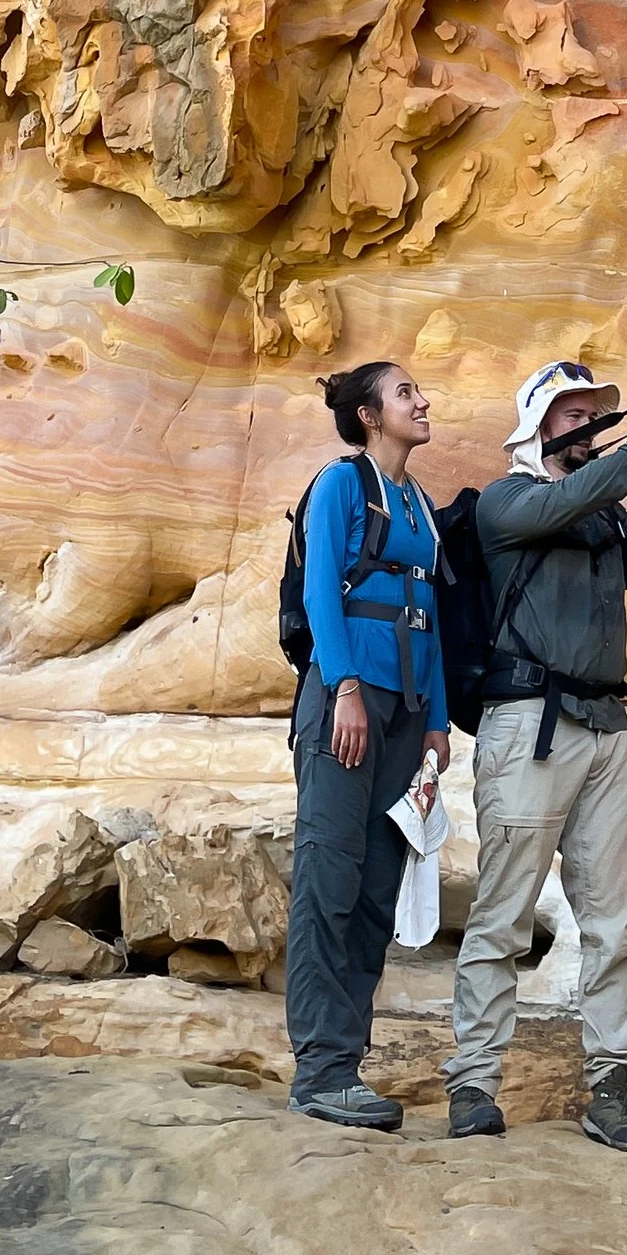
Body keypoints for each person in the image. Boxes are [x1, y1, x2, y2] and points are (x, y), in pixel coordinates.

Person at [444, 356, 627, 1152]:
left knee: (613, 918)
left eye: (596, 409)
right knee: (503, 913)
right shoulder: (510, 500)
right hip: (527, 724)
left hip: (602, 726)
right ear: (540, 422)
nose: (587, 422)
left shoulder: (598, 511)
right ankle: (474, 1083)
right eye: (572, 410)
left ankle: (613, 1085)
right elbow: (567, 498)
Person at [284, 359, 450, 1130]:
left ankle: (345, 1065)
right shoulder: (341, 484)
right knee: (330, 875)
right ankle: (320, 1068)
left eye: (418, 390)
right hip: (343, 702)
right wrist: (346, 688)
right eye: (405, 393)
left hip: (406, 714)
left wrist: (439, 724)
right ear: (369, 416)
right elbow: (323, 591)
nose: (422, 401)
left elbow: (430, 619)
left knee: (377, 889)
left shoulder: (418, 501)